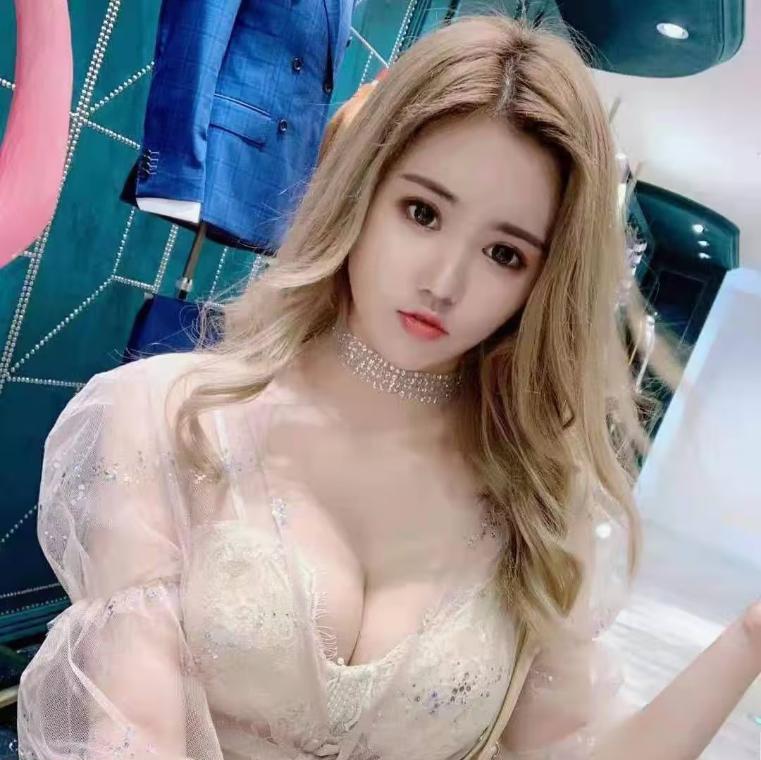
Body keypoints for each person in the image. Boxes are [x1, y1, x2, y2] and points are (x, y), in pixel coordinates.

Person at [17, 13, 761, 760]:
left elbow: (580, 749)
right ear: (362, 190)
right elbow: (130, 737)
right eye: (422, 212)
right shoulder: (167, 417)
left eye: (504, 253)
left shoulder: (532, 504)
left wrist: (747, 641)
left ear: (541, 281)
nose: (444, 281)